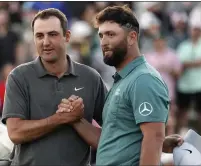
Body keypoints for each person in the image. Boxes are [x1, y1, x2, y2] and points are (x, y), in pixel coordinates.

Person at [57, 5, 182, 166]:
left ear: (132, 37)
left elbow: (154, 138)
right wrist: (75, 119)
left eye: (111, 34)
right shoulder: (124, 79)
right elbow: (112, 139)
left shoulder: (143, 79)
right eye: (101, 35)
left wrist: (160, 142)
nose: (104, 42)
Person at [1, 8, 107, 165]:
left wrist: (77, 120)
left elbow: (112, 134)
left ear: (67, 36)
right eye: (39, 36)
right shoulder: (19, 77)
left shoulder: (90, 78)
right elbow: (15, 132)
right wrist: (60, 119)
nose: (46, 42)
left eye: (52, 34)